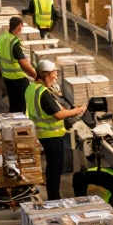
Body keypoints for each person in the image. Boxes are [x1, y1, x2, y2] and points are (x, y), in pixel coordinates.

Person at [26, 60, 86, 200]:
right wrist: (78, 110)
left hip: (41, 133)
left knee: (52, 167)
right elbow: (58, 115)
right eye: (54, 73)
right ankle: (54, 198)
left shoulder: (31, 88)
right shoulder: (43, 93)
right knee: (54, 169)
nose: (56, 77)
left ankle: (53, 196)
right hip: (51, 136)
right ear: (46, 74)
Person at [0, 16, 37, 113]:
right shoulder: (14, 42)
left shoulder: (2, 37)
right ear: (19, 26)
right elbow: (22, 62)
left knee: (13, 104)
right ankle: (21, 125)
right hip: (18, 78)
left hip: (6, 77)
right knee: (21, 106)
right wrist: (35, 75)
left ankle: (13, 124)